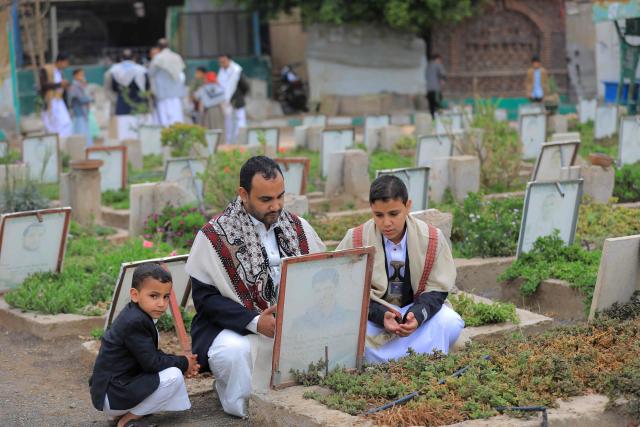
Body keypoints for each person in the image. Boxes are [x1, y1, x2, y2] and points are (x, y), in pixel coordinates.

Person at [185, 156, 325, 417]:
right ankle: (245, 408)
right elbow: (206, 301)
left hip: (292, 322)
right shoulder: (214, 236)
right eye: (266, 200)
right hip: (236, 327)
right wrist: (256, 321)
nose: (276, 206)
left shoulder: (297, 227)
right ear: (243, 194)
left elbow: (320, 274)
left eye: (280, 196)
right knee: (233, 352)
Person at [336, 175, 464, 364]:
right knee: (344, 329)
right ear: (371, 209)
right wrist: (381, 316)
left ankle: (381, 360)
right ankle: (422, 355)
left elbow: (438, 289)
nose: (386, 223)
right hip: (375, 319)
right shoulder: (356, 239)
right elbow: (346, 290)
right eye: (379, 215)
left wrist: (417, 316)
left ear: (408, 206)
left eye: (393, 214)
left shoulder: (431, 238)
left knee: (450, 322)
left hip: (413, 313)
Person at [89, 263, 199, 427]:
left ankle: (125, 413)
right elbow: (152, 363)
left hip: (115, 389)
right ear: (135, 294)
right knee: (174, 376)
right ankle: (128, 420)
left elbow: (151, 354)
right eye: (154, 296)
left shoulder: (137, 314)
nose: (162, 303)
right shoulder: (135, 322)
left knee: (173, 369)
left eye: (166, 296)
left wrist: (184, 361)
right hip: (113, 393)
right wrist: (184, 363)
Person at [149, 38, 186, 127]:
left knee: (164, 119)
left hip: (163, 94)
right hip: (176, 93)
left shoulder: (157, 58)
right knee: (177, 117)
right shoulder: (177, 56)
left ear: (158, 47)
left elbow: (151, 73)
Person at [40, 53, 73, 138]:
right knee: (52, 127)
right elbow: (43, 85)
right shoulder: (46, 70)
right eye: (65, 63)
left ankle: (62, 146)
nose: (66, 65)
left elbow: (60, 87)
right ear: (59, 62)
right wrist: (59, 84)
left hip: (59, 101)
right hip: (50, 101)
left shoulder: (60, 72)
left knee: (66, 123)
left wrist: (65, 86)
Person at [217, 54, 248, 144]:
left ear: (229, 60)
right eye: (220, 62)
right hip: (225, 101)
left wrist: (238, 95)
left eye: (224, 61)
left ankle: (241, 141)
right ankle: (229, 142)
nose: (222, 64)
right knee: (228, 122)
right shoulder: (221, 71)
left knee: (240, 119)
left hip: (237, 99)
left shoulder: (236, 70)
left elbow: (245, 86)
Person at [109, 49, 150, 116]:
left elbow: (114, 88)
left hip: (122, 104)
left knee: (124, 125)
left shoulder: (115, 70)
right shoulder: (141, 69)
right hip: (139, 103)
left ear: (121, 58)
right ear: (134, 58)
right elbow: (147, 86)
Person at [68, 68, 93, 147]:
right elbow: (82, 99)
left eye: (83, 75)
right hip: (79, 113)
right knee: (80, 133)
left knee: (85, 132)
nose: (82, 77)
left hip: (83, 113)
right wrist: (90, 98)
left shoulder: (81, 85)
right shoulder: (75, 86)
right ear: (75, 76)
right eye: (80, 75)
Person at [426, 54, 446, 119]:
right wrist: (443, 81)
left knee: (431, 106)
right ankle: (440, 120)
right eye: (440, 60)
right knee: (438, 105)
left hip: (428, 89)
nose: (440, 62)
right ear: (437, 59)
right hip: (436, 89)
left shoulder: (428, 66)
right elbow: (442, 74)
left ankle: (433, 119)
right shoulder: (438, 65)